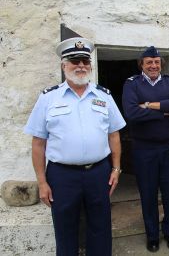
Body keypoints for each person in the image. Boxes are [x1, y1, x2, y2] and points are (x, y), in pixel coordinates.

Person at [24, 37, 126, 256]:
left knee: (100, 228)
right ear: (64, 65)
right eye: (74, 61)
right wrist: (42, 182)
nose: (81, 66)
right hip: (62, 176)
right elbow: (38, 143)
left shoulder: (103, 96)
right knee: (64, 229)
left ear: (90, 65)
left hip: (99, 172)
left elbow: (114, 135)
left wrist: (116, 168)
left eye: (85, 61)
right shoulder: (48, 98)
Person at [122, 46, 169, 252]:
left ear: (161, 64)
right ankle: (152, 235)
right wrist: (164, 110)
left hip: (168, 147)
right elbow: (131, 113)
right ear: (142, 64)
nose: (153, 65)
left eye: (156, 62)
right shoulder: (132, 83)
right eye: (148, 62)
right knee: (148, 194)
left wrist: (148, 105)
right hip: (143, 149)